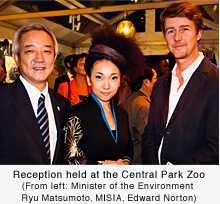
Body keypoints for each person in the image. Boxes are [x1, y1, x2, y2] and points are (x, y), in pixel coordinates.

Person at [142, 2, 219, 165]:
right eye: (171, 31)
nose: (177, 37)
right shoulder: (160, 85)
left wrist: (175, 178)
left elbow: (215, 148)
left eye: (184, 29)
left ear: (198, 33)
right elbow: (150, 133)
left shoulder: (215, 81)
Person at [64, 24, 146, 165]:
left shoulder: (122, 114)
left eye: (113, 78)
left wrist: (124, 164)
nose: (106, 85)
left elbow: (128, 151)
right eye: (99, 77)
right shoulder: (77, 114)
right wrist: (100, 167)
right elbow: (70, 160)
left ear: (120, 81)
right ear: (89, 79)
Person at [0, 23, 71, 164]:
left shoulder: (62, 104)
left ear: (54, 56)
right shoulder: (3, 101)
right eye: (30, 51)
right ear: (16, 57)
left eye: (47, 51)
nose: (40, 58)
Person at [124, 66, 157, 164]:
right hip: (139, 160)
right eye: (155, 78)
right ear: (146, 82)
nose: (158, 82)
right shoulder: (143, 105)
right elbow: (146, 138)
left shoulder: (131, 98)